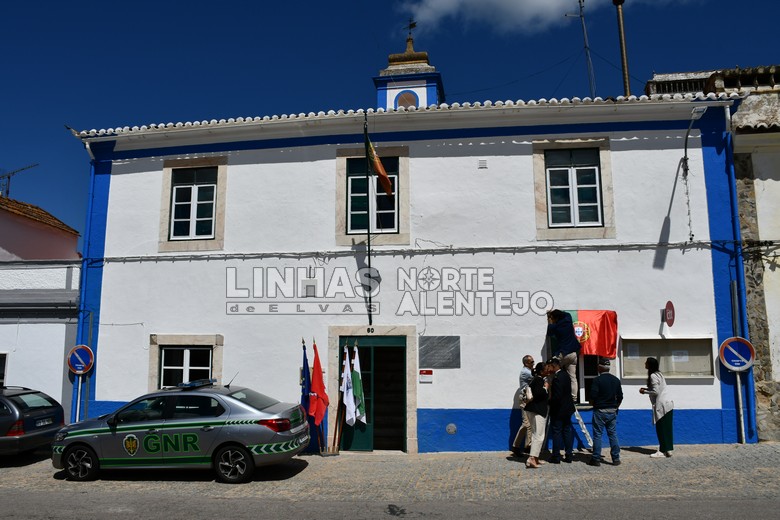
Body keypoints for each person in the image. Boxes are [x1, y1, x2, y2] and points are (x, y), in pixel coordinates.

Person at [588, 357, 623, 467]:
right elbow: (620, 397)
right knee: (612, 434)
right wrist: (616, 407)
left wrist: (594, 404)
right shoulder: (616, 380)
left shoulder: (597, 380)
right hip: (612, 411)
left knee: (598, 435)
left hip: (600, 410)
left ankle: (596, 458)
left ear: (600, 367)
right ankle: (616, 458)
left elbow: (592, 396)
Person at [640, 357, 674, 458]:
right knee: (667, 428)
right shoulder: (659, 374)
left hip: (661, 405)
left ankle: (662, 451)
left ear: (650, 365)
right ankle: (668, 449)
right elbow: (657, 388)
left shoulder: (653, 376)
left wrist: (644, 392)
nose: (645, 364)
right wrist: (647, 389)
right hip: (667, 403)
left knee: (661, 428)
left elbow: (655, 391)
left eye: (646, 362)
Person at [546, 309, 581, 402]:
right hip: (573, 353)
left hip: (562, 353)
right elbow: (565, 313)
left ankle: (552, 396)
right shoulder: (568, 319)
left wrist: (549, 319)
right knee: (573, 377)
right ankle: (574, 398)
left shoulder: (555, 327)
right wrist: (554, 312)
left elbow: (549, 332)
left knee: (551, 373)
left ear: (556, 318)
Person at [547, 357, 575, 464]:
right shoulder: (566, 375)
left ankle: (556, 456)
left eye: (549, 367)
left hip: (559, 410)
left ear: (554, 366)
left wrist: (549, 402)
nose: (548, 369)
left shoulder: (557, 377)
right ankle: (569, 455)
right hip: (567, 409)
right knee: (567, 431)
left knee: (557, 432)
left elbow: (557, 396)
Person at [524, 362, 550, 468]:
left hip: (533, 410)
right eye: (546, 369)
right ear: (541, 371)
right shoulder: (539, 380)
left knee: (537, 435)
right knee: (538, 436)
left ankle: (535, 458)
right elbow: (539, 394)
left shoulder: (537, 379)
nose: (548, 370)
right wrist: (546, 388)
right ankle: (532, 459)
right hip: (537, 411)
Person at [511, 354, 535, 455]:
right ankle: (516, 446)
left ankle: (527, 446)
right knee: (526, 424)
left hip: (529, 399)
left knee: (530, 425)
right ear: (526, 363)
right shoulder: (526, 372)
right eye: (531, 362)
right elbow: (536, 378)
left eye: (533, 361)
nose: (533, 363)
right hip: (525, 399)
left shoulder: (529, 370)